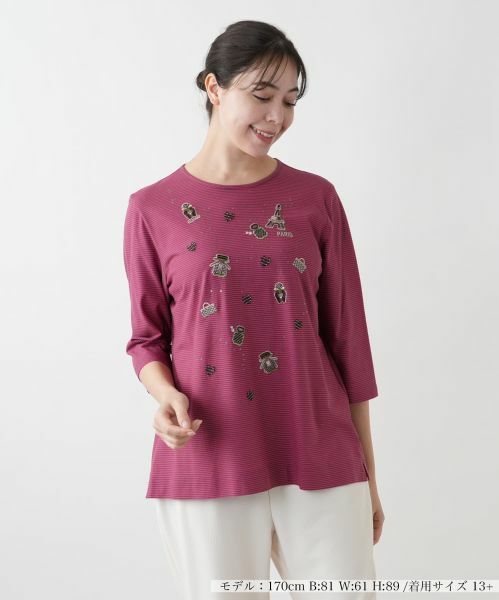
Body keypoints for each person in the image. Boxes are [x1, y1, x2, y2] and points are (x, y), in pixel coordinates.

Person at [123, 19, 385, 600]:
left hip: (321, 452)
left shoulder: (315, 198)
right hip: (208, 452)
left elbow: (349, 344)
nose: (277, 117)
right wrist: (163, 398)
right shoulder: (152, 208)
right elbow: (147, 338)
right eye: (262, 96)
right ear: (214, 88)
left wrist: (367, 475)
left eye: (290, 101)